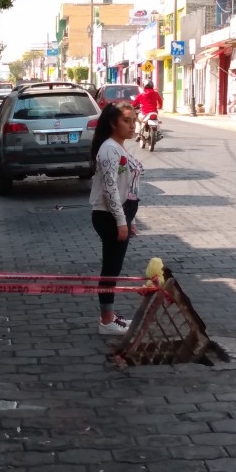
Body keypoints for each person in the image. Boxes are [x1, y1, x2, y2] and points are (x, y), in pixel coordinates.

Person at [89, 102, 143, 335]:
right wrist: (121, 221)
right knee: (110, 269)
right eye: (126, 121)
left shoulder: (118, 147)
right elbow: (110, 189)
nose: (132, 126)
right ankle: (106, 321)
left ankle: (109, 316)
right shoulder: (110, 149)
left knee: (114, 267)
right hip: (109, 216)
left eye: (134, 121)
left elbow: (125, 187)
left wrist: (129, 220)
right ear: (113, 123)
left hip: (118, 214)